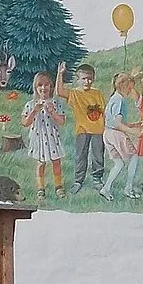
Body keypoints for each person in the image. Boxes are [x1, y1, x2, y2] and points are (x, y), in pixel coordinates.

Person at [60, 62, 107, 195]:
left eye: (90, 78)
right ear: (78, 79)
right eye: (84, 78)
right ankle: (78, 181)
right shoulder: (74, 94)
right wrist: (60, 74)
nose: (87, 81)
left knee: (98, 155)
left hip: (98, 129)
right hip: (82, 130)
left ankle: (97, 179)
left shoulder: (97, 93)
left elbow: (103, 111)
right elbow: (59, 91)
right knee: (81, 155)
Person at [21, 71, 67, 200]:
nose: (43, 88)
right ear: (35, 88)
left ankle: (58, 186)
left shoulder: (56, 103)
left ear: (51, 86)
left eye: (47, 84)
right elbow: (25, 123)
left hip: (52, 137)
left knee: (56, 162)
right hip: (39, 138)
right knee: (41, 163)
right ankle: (41, 188)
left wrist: (52, 112)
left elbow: (62, 121)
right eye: (40, 85)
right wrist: (34, 111)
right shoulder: (30, 104)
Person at [101, 72, 140, 201]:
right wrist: (132, 132)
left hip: (107, 134)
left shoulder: (113, 98)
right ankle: (128, 188)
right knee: (134, 156)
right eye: (129, 88)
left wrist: (132, 125)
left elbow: (113, 121)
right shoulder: (120, 100)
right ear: (122, 86)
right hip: (116, 134)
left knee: (119, 163)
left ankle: (106, 188)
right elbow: (117, 124)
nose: (130, 91)